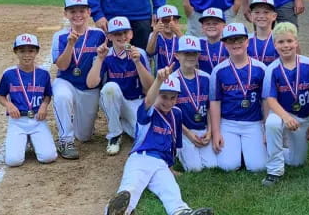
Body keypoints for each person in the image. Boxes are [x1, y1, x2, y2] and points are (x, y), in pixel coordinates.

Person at [105, 69, 213, 215]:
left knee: (171, 191)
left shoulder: (177, 113)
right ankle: (116, 212)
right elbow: (149, 100)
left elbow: (174, 144)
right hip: (141, 158)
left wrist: (170, 168)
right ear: (156, 94)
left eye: (172, 97)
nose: (168, 102)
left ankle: (183, 212)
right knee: (130, 189)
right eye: (163, 96)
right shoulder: (147, 111)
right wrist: (158, 81)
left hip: (161, 164)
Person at [261, 22, 309, 186]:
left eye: (289, 41)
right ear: (275, 45)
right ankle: (274, 170)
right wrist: (286, 117)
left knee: (297, 162)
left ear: (296, 42)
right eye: (281, 42)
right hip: (281, 114)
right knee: (272, 123)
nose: (285, 45)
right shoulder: (272, 69)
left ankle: (277, 150)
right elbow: (270, 99)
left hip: (302, 118)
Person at [87, 16, 154, 156]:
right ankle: (114, 135)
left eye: (125, 33)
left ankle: (122, 123)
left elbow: (149, 88)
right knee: (110, 87)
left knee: (144, 135)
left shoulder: (139, 53)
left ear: (131, 34)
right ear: (109, 36)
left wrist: (138, 63)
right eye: (117, 34)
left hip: (136, 101)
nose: (122, 37)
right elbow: (91, 83)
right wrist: (99, 59)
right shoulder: (106, 54)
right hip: (115, 100)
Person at [51, 0, 106, 159]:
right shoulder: (60, 36)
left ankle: (74, 120)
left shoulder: (99, 35)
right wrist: (70, 44)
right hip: (67, 81)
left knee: (84, 136)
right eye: (72, 11)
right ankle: (65, 140)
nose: (77, 15)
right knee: (61, 96)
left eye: (82, 10)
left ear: (89, 12)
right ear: (65, 14)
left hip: (88, 87)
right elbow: (62, 66)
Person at [210, 23, 267, 172]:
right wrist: (216, 133)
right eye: (230, 41)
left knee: (258, 167)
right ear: (224, 44)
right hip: (229, 123)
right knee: (228, 166)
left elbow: (266, 102)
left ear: (247, 41)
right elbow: (215, 103)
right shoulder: (218, 70)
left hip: (253, 122)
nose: (236, 44)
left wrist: (266, 129)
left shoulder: (260, 68)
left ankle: (245, 150)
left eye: (240, 40)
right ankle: (239, 150)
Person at [0, 34, 57, 166]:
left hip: (37, 120)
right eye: (22, 51)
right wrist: (9, 105)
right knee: (13, 161)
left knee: (48, 157)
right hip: (17, 121)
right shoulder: (9, 73)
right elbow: (1, 96)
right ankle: (24, 139)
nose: (26, 55)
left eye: (31, 50)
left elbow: (47, 94)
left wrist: (44, 105)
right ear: (16, 52)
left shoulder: (43, 73)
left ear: (36, 52)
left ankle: (32, 140)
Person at [172, 35, 217, 172]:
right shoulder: (172, 80)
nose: (191, 57)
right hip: (183, 131)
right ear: (177, 55)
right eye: (186, 53)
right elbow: (171, 113)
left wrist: (209, 132)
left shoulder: (206, 77)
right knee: (194, 168)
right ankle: (178, 150)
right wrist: (190, 135)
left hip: (202, 129)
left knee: (212, 165)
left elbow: (210, 108)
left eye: (194, 53)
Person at [147, 5, 183, 74]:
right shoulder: (155, 35)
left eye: (172, 20)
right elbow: (149, 52)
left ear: (177, 21)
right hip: (160, 76)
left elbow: (187, 46)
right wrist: (155, 32)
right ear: (158, 22)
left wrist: (177, 31)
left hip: (179, 76)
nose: (168, 23)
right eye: (164, 21)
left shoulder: (179, 36)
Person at [247, 0, 279, 66]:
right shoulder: (245, 40)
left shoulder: (281, 39)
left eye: (266, 12)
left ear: (274, 16)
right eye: (257, 12)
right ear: (251, 16)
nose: (261, 16)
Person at [197, 7, 228, 74]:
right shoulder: (197, 44)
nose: (211, 26)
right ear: (202, 27)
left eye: (215, 23)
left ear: (224, 26)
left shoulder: (229, 44)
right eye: (207, 23)